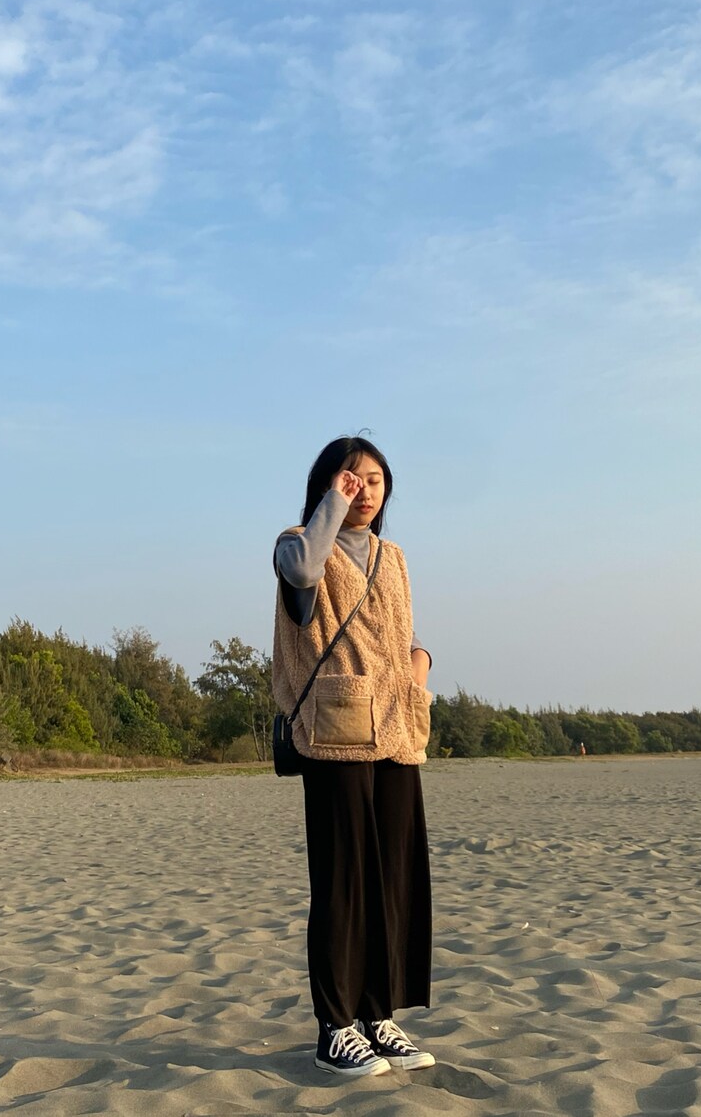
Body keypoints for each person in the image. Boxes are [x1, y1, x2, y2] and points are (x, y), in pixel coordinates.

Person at [272, 435, 435, 1078]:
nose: (363, 489)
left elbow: (400, 630)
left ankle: (377, 1015)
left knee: (393, 878)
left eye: (373, 480)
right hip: (335, 731)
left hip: (397, 730)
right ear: (326, 485)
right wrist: (330, 509)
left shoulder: (394, 557)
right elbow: (304, 575)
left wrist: (421, 664)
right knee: (342, 881)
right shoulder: (297, 542)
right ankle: (334, 1027)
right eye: (350, 478)